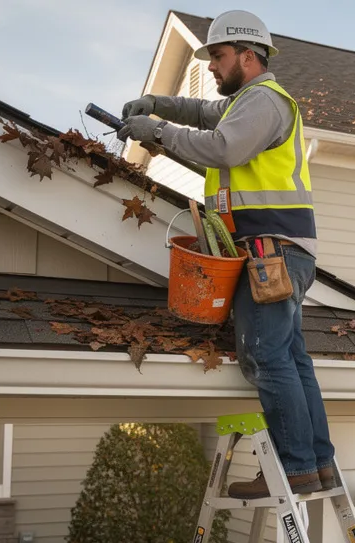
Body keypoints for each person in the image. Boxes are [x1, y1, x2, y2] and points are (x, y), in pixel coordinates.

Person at [119, 10, 334, 499]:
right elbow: (201, 114)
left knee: (265, 357)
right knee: (292, 360)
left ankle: (294, 469)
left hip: (268, 250)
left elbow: (222, 148)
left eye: (217, 56)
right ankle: (318, 466)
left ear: (247, 55)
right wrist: (155, 105)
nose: (212, 66)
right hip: (278, 250)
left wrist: (152, 131)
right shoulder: (248, 103)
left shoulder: (263, 102)